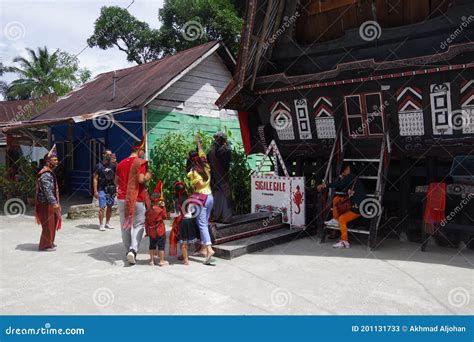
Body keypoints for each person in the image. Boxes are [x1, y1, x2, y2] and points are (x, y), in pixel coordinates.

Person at [115, 137, 152, 265]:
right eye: (143, 150)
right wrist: (148, 176)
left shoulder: (120, 163)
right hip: (136, 197)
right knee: (138, 224)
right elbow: (141, 180)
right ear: (139, 149)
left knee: (125, 225)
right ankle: (133, 250)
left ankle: (127, 252)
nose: (144, 153)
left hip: (121, 198)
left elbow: (116, 181)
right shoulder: (140, 162)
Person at [317, 162, 367, 249]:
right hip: (354, 204)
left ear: (351, 170)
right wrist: (342, 179)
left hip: (357, 208)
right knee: (336, 199)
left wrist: (325, 185)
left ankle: (344, 241)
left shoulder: (351, 177)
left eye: (347, 169)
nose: (344, 171)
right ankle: (335, 220)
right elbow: (342, 187)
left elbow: (338, 185)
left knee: (342, 219)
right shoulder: (353, 179)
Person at [187, 134, 215, 264]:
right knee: (203, 222)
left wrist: (192, 183)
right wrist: (198, 142)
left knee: (202, 224)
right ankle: (204, 248)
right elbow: (201, 152)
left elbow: (197, 186)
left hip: (200, 199)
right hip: (210, 197)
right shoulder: (205, 165)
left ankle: (209, 249)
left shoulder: (193, 172)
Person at [35, 144, 61, 251]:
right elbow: (47, 191)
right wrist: (54, 203)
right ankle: (45, 245)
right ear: (48, 161)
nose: (56, 162)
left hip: (49, 203)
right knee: (48, 225)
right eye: (54, 160)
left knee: (52, 224)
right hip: (46, 204)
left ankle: (50, 242)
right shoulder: (45, 174)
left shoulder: (49, 172)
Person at [169, 182, 200, 265]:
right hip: (189, 221)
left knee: (183, 242)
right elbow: (193, 210)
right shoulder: (189, 199)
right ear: (185, 190)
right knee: (186, 241)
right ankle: (183, 256)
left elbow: (174, 214)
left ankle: (186, 260)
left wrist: (170, 214)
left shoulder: (176, 201)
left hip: (182, 222)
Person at [207, 132, 233, 223]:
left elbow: (208, 165)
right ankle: (226, 218)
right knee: (225, 197)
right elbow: (228, 165)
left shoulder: (211, 152)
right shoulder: (227, 151)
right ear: (224, 140)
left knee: (217, 197)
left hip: (214, 179)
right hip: (223, 178)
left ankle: (217, 217)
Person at [145, 180, 168, 266]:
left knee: (152, 245)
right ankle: (161, 261)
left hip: (151, 231)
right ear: (158, 201)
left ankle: (151, 261)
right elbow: (165, 217)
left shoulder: (148, 210)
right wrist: (164, 207)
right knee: (161, 246)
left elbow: (146, 220)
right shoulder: (160, 210)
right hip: (160, 231)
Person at [93, 149, 116, 231]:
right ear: (103, 155)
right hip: (102, 189)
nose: (109, 156)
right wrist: (95, 191)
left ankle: (107, 223)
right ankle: (101, 224)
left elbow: (116, 177)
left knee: (110, 206)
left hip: (111, 189)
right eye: (107, 154)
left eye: (110, 154)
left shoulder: (113, 165)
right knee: (102, 207)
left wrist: (117, 187)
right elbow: (95, 179)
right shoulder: (99, 166)